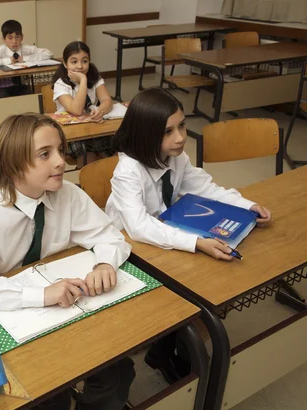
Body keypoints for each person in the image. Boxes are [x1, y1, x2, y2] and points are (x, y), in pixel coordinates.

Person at [0, 113, 134, 410]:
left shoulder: (68, 195)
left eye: (61, 150)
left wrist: (105, 264)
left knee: (117, 369)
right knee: (49, 395)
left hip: (66, 309)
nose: (61, 161)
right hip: (15, 314)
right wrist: (42, 295)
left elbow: (110, 238)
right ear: (12, 163)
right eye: (45, 154)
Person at [106, 87, 272, 383]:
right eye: (168, 131)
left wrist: (248, 206)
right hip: (133, 252)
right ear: (145, 134)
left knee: (223, 284)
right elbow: (139, 226)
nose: (180, 137)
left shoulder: (175, 157)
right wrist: (196, 243)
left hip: (167, 239)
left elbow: (205, 188)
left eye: (181, 125)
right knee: (203, 289)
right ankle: (171, 346)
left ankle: (170, 349)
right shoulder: (128, 171)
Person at [52, 41, 115, 168]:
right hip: (70, 134)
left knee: (114, 152)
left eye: (84, 61)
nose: (80, 66)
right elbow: (76, 109)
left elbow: (107, 100)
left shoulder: (95, 77)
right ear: (65, 64)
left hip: (93, 127)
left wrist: (100, 111)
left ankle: (106, 183)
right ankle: (86, 184)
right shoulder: (60, 84)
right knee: (88, 155)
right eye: (74, 62)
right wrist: (83, 81)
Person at [0, 19, 52, 98]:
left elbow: (48, 53)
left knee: (29, 99)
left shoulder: (26, 48)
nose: (14, 41)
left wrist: (26, 58)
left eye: (17, 37)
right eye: (10, 38)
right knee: (5, 100)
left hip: (21, 85)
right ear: (4, 39)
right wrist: (6, 61)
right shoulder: (0, 50)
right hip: (1, 86)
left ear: (22, 37)